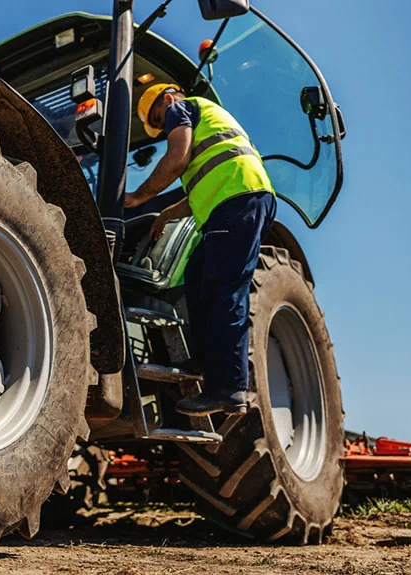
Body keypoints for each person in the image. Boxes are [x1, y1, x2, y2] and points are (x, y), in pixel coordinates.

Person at [125, 83, 277, 415]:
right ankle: (204, 361)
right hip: (239, 199)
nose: (164, 126)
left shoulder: (183, 108)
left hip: (237, 200)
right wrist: (166, 213)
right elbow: (202, 178)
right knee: (196, 274)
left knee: (226, 290)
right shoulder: (208, 124)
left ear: (167, 99)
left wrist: (137, 197)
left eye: (158, 118)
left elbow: (177, 159)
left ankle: (229, 388)